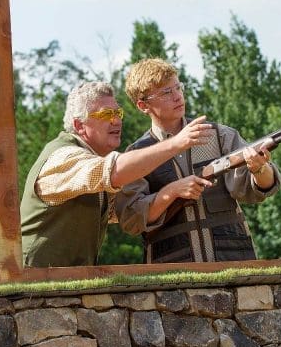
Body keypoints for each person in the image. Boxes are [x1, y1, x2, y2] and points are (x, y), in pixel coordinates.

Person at [20, 81, 214, 267]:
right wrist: (176, 143)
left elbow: (127, 212)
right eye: (106, 114)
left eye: (117, 112)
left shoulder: (92, 161)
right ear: (79, 126)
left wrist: (171, 191)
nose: (116, 120)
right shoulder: (63, 156)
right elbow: (114, 171)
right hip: (29, 289)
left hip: (60, 286)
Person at [115, 58, 281, 264]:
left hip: (233, 262)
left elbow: (263, 187)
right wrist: (171, 192)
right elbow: (131, 219)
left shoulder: (219, 135)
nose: (178, 96)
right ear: (143, 105)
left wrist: (259, 169)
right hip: (171, 271)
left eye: (178, 87)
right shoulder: (137, 154)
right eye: (166, 92)